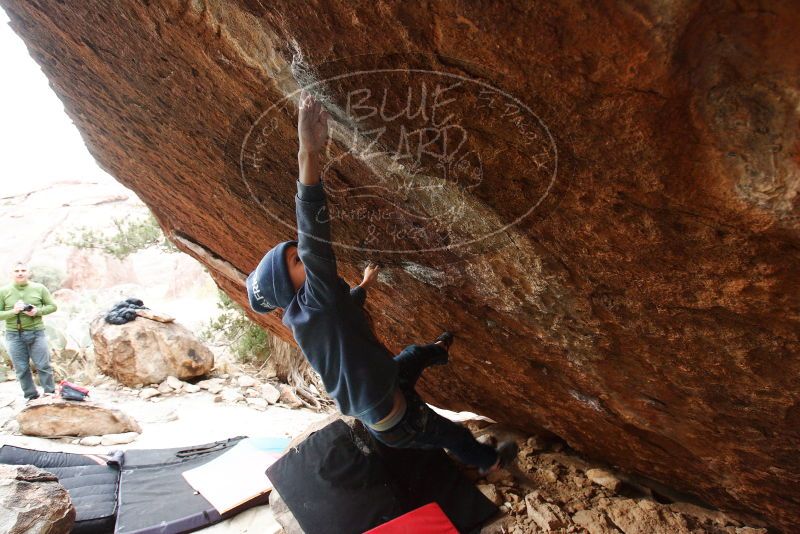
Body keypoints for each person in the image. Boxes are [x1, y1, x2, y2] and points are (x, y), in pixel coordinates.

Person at [246, 90, 518, 474]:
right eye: (295, 261)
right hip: (396, 416)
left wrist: (363, 287)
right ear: (289, 288)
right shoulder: (315, 299)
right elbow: (313, 232)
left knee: (413, 355)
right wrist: (308, 153)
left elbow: (342, 320)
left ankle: (437, 349)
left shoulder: (310, 315)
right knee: (450, 436)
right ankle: (491, 463)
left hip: (386, 386)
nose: (302, 257)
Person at [0, 262, 57, 401]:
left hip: (37, 332)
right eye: (17, 270)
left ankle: (49, 393)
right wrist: (14, 311)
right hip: (14, 334)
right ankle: (31, 396)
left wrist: (37, 311)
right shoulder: (4, 291)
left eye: (23, 270)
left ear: (28, 272)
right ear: (12, 273)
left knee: (43, 365)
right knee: (21, 368)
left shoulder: (39, 288)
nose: (20, 273)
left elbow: (53, 306)